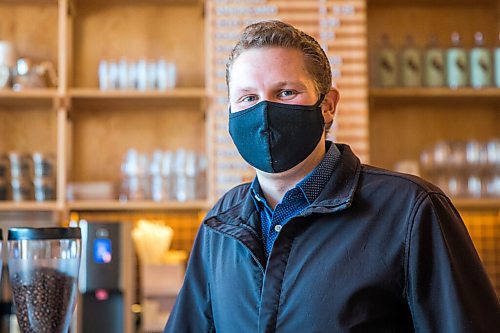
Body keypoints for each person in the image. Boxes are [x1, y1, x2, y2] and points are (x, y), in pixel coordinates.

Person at [165, 20, 500, 332]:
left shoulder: (411, 210)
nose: (264, 113)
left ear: (328, 106)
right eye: (248, 98)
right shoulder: (221, 223)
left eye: (286, 93)